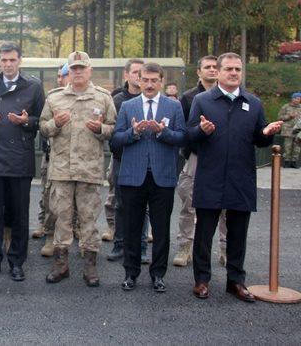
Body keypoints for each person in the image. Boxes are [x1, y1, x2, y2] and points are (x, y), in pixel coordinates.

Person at [189, 53, 282, 302]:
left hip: (241, 177)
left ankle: (236, 281)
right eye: (228, 69)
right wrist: (201, 130)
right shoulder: (202, 100)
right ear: (218, 72)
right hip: (211, 175)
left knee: (238, 233)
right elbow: (189, 136)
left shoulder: (253, 102)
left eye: (237, 69)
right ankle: (201, 280)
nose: (233, 73)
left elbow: (259, 138)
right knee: (204, 233)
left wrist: (267, 133)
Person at [40, 52, 116, 286]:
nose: (78, 72)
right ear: (67, 73)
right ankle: (61, 265)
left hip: (89, 169)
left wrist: (100, 129)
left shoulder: (103, 98)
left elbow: (113, 127)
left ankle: (90, 267)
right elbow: (42, 127)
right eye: (73, 69)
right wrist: (55, 124)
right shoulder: (55, 98)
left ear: (90, 70)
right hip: (62, 169)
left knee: (88, 219)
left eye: (82, 68)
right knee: (61, 217)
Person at [112, 62, 186, 293]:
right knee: (132, 227)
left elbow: (182, 138)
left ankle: (158, 274)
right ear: (139, 80)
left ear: (161, 81)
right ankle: (130, 273)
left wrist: (162, 132)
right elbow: (115, 140)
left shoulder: (173, 107)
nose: (150, 84)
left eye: (154, 80)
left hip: (162, 177)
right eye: (145, 79)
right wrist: (133, 132)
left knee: (161, 229)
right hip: (133, 176)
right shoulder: (127, 106)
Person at [0, 42, 45, 281]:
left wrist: (26, 121)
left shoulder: (33, 86)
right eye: (3, 60)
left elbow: (41, 120)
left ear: (20, 61)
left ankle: (17, 261)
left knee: (19, 215)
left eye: (12, 60)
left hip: (18, 158)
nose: (7, 64)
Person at [173, 55, 227, 267]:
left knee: (227, 207)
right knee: (189, 203)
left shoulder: (230, 96)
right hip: (197, 157)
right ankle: (185, 247)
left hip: (223, 159)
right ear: (199, 71)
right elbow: (183, 130)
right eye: (207, 67)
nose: (212, 70)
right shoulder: (188, 98)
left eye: (215, 67)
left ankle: (226, 249)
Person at [106, 59, 151, 264]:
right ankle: (119, 244)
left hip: (144, 160)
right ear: (126, 75)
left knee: (144, 207)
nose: (138, 76)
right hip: (121, 159)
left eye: (142, 73)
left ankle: (141, 247)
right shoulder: (117, 99)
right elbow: (113, 133)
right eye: (135, 72)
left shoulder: (150, 100)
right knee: (121, 204)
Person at [34, 63, 69, 259]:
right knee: (49, 196)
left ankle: (76, 230)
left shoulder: (92, 97)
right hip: (53, 156)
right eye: (58, 76)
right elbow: (42, 127)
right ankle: (49, 232)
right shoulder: (53, 98)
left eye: (62, 75)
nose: (60, 79)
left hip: (79, 160)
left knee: (80, 200)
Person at [277, 92, 301, 168]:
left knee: (297, 147)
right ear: (292, 98)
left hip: (298, 130)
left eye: (299, 99)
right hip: (288, 130)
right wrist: (288, 117)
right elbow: (280, 117)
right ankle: (286, 162)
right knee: (287, 146)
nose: (298, 100)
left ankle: (294, 162)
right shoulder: (286, 107)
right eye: (296, 98)